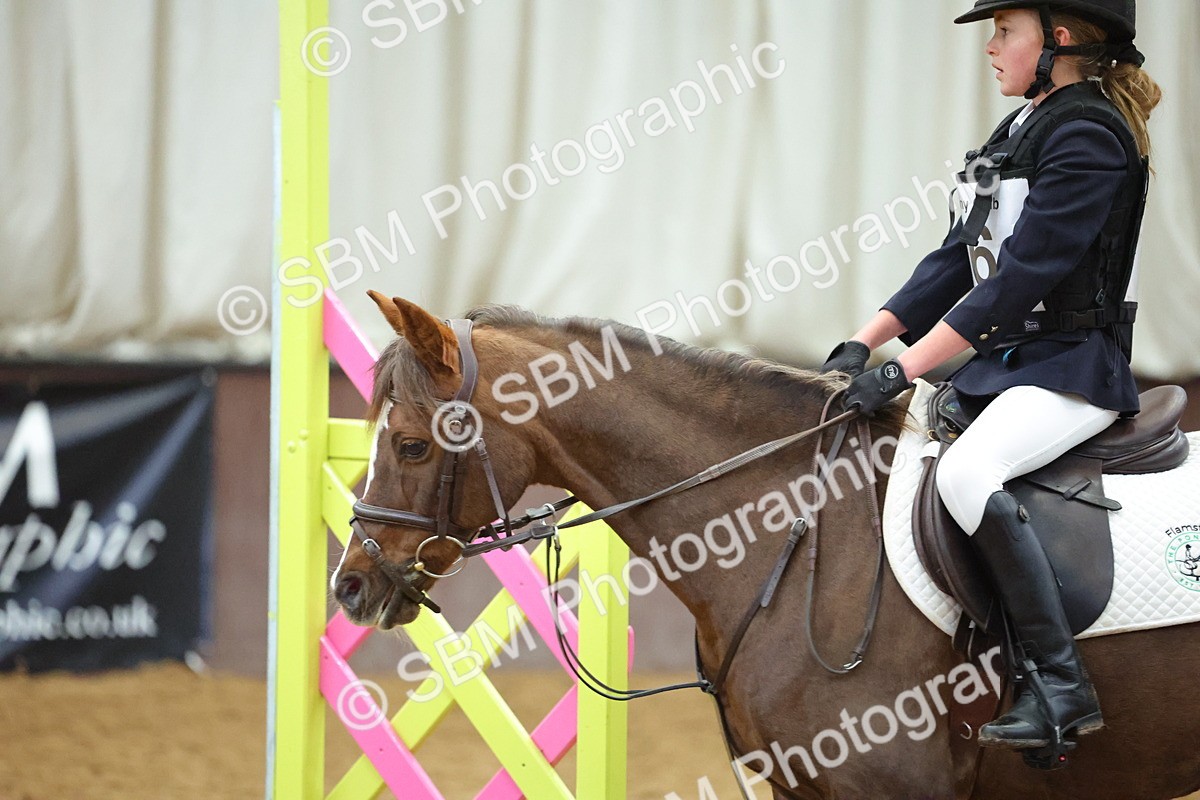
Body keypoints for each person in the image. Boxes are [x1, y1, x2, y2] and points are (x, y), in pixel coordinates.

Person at [821, 0, 1162, 754]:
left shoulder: (1090, 136)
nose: (992, 48)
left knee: (969, 473)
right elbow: (955, 259)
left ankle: (1060, 685)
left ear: (1059, 39)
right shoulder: (1018, 129)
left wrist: (905, 368)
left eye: (1006, 31)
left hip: (1073, 369)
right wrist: (863, 339)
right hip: (1009, 366)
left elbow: (1019, 279)